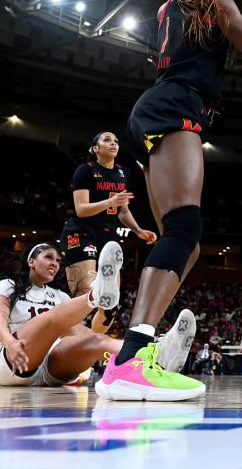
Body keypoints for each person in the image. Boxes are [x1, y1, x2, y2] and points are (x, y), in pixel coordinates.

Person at [102, 0, 242, 401]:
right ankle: (130, 359)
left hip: (155, 107)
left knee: (182, 243)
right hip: (176, 106)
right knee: (184, 229)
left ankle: (139, 351)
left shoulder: (172, 4)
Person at [0, 242, 195, 390]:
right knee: (53, 319)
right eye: (48, 257)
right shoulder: (8, 285)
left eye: (58, 261)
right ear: (31, 261)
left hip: (52, 367)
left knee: (96, 341)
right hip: (13, 359)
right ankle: (97, 295)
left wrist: (101, 326)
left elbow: (85, 332)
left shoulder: (59, 296)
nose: (55, 263)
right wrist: (9, 343)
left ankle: (157, 352)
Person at [61, 131, 157, 335]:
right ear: (96, 149)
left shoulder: (124, 173)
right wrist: (110, 202)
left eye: (115, 141)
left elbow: (122, 210)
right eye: (107, 140)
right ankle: (68, 341)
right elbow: (81, 209)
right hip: (81, 231)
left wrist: (138, 230)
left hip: (108, 236)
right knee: (87, 295)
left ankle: (88, 350)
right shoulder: (85, 171)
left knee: (110, 305)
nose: (113, 143)